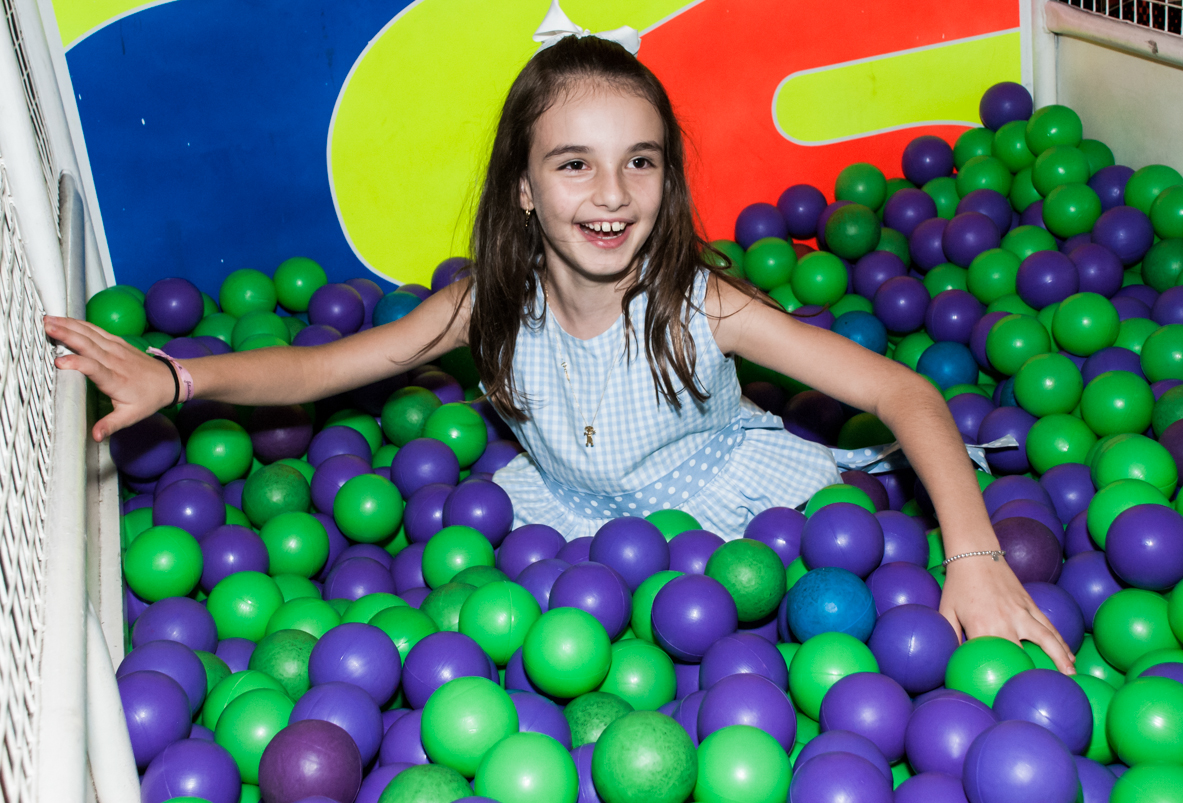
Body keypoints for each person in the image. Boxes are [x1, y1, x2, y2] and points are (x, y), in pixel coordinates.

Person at [43, 16, 1074, 672]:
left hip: (745, 517)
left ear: (667, 180)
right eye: (574, 165)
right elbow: (321, 365)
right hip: (571, 536)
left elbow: (907, 394)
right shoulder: (488, 308)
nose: (612, 193)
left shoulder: (698, 305)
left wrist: (974, 557)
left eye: (641, 162)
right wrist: (181, 373)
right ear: (525, 190)